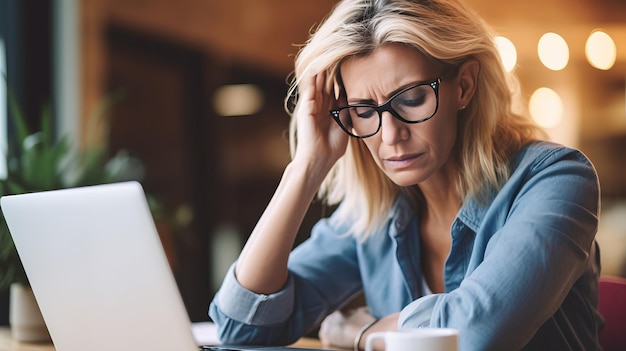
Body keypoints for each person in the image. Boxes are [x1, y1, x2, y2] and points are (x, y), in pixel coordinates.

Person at [209, 0, 603, 350]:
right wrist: (306, 167)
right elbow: (239, 326)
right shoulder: (373, 217)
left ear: (463, 86)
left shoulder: (555, 179)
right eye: (364, 110)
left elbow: (476, 335)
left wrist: (367, 333)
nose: (390, 135)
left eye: (412, 99)